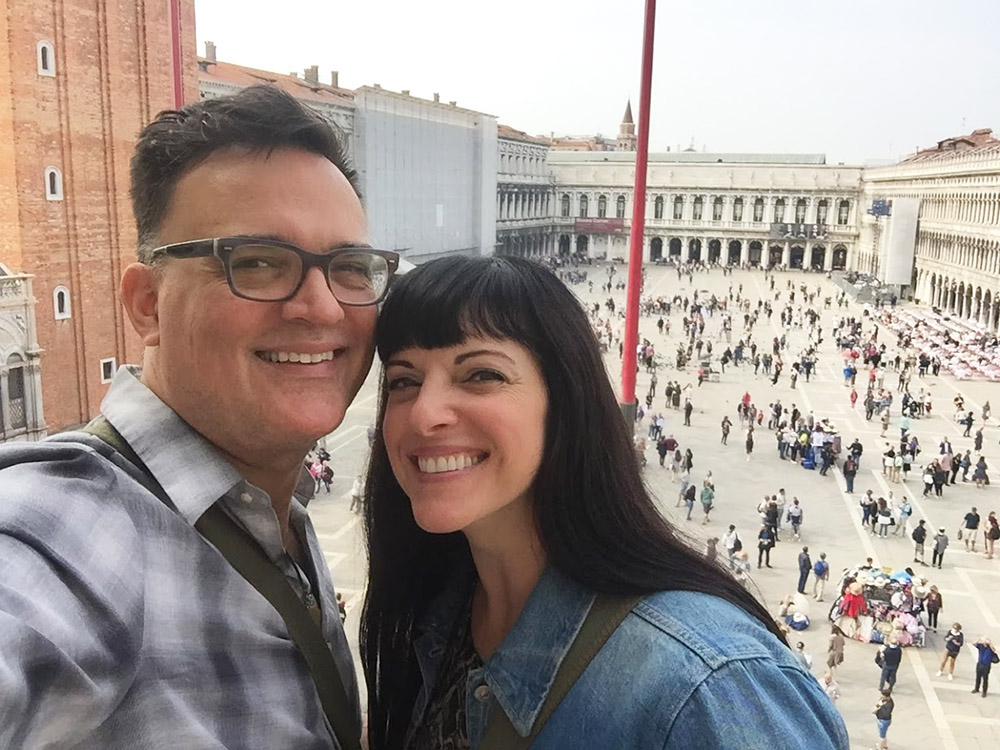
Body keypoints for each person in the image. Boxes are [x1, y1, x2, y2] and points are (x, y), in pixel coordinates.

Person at [0, 86, 390, 747]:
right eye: (259, 262)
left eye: (349, 267)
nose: (323, 308)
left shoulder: (270, 506)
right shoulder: (71, 531)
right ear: (148, 303)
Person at [358, 256, 849, 748]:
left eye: (481, 375)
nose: (423, 415)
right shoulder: (438, 614)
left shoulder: (708, 685)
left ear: (566, 401)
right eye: (404, 380)